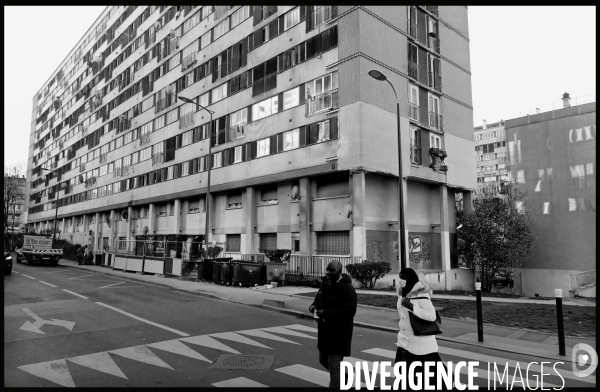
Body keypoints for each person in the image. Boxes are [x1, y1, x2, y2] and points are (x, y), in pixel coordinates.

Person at [309, 260, 357, 388]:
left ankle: (338, 381)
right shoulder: (325, 284)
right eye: (328, 270)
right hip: (325, 332)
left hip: (339, 333)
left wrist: (326, 313)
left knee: (335, 367)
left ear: (340, 272)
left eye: (332, 270)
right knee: (323, 360)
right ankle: (345, 376)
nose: (329, 273)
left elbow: (349, 311)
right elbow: (318, 298)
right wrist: (313, 306)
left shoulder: (347, 288)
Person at [395, 267, 446, 387]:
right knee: (402, 373)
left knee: (426, 377)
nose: (401, 280)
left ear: (411, 279)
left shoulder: (422, 295)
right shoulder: (402, 293)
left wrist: (413, 307)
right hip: (404, 340)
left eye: (404, 278)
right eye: (400, 277)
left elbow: (432, 316)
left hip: (420, 344)